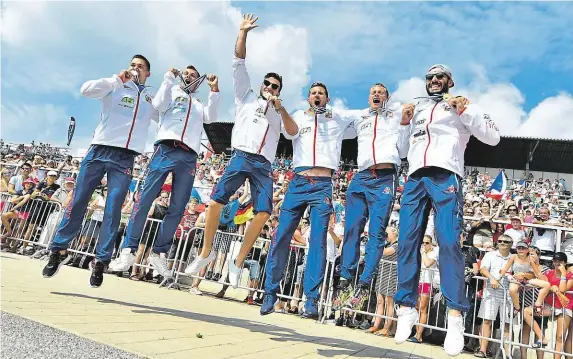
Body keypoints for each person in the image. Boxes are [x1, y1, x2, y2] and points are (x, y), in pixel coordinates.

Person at [393, 64, 500, 356]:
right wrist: (404, 122)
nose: (435, 80)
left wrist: (466, 110)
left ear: (450, 81)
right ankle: (405, 308)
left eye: (440, 76)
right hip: (415, 177)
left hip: (446, 175)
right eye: (430, 77)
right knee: (406, 242)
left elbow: (493, 136)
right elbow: (401, 151)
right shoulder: (416, 108)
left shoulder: (461, 106)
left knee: (449, 243)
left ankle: (455, 316)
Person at [185, 13, 298, 288]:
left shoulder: (279, 110)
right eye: (268, 84)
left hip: (263, 164)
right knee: (214, 202)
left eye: (275, 86)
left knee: (263, 213)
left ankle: (237, 263)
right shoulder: (245, 95)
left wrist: (280, 107)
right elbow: (238, 62)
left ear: (280, 90)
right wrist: (243, 32)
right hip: (241, 155)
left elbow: (292, 133)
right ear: (262, 85)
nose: (270, 88)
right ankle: (205, 252)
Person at [42, 55, 158, 288]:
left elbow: (169, 117)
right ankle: (59, 249)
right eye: (132, 65)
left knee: (113, 208)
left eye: (140, 67)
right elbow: (86, 90)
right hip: (99, 150)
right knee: (78, 201)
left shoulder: (149, 98)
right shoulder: (115, 86)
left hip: (125, 157)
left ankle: (101, 260)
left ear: (148, 73)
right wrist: (116, 79)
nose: (135, 69)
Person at [109, 64, 220, 279]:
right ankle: (128, 249)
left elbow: (211, 117)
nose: (188, 76)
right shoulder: (172, 92)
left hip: (189, 155)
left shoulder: (197, 102)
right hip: (166, 148)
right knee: (144, 200)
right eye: (186, 74)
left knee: (178, 207)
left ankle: (159, 252)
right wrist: (169, 78)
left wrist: (214, 91)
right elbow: (158, 105)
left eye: (193, 75)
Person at [260, 81, 354, 319]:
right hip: (298, 182)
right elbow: (290, 132)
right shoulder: (299, 116)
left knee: (318, 241)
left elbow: (365, 118)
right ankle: (270, 292)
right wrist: (281, 109)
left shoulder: (338, 118)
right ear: (309, 98)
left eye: (321, 93)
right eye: (313, 93)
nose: (317, 95)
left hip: (322, 185)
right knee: (281, 235)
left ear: (327, 98)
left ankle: (311, 300)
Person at [332, 83, 410, 311]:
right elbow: (335, 126)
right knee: (351, 229)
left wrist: (405, 122)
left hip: (385, 177)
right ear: (369, 98)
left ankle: (365, 283)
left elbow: (404, 152)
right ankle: (345, 279)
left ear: (387, 97)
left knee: (376, 233)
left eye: (381, 92)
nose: (376, 94)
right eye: (373, 92)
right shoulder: (359, 117)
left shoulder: (396, 114)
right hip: (361, 176)